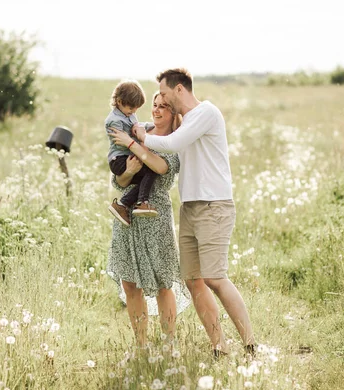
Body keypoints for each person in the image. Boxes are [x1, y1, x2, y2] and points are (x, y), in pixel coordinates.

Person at [133, 68, 256, 358]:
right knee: (193, 279)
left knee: (215, 276)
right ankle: (219, 346)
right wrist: (130, 124)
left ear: (179, 90)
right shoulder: (185, 121)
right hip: (190, 207)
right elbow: (160, 130)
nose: (160, 99)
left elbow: (171, 143)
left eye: (163, 93)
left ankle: (250, 344)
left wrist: (137, 137)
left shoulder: (206, 113)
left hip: (214, 206)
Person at [107, 93, 188, 350]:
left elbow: (161, 166)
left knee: (163, 281)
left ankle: (168, 343)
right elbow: (118, 180)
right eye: (155, 105)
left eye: (164, 106)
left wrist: (131, 144)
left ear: (174, 112)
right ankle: (141, 344)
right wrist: (128, 172)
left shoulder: (174, 140)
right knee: (130, 283)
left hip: (155, 215)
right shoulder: (137, 130)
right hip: (126, 214)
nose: (157, 110)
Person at [105, 79, 158, 226]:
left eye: (136, 109)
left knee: (145, 180)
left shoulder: (129, 114)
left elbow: (137, 126)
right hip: (120, 159)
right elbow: (122, 140)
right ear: (119, 101)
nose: (134, 111)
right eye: (131, 108)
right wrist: (139, 139)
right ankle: (141, 202)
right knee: (151, 170)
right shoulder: (113, 120)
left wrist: (151, 127)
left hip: (126, 155)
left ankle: (123, 205)